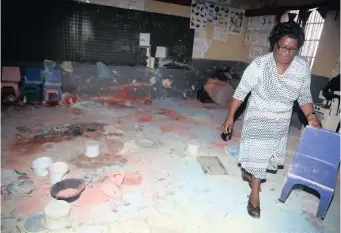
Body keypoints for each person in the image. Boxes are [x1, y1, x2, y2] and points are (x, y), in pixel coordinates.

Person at [221, 21, 321, 219]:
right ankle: (254, 196)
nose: (286, 52)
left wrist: (311, 116)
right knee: (259, 156)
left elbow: (304, 96)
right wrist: (230, 117)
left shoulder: (301, 68)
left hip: (281, 119)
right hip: (258, 115)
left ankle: (249, 174)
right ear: (274, 43)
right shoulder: (260, 65)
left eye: (292, 49)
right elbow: (241, 92)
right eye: (282, 47)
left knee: (265, 157)